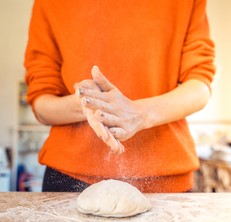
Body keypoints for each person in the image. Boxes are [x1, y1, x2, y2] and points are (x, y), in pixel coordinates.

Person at [24, 0, 215, 193]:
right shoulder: (49, 3)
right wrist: (88, 102)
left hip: (166, 178)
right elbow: (42, 103)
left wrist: (140, 113)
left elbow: (199, 86)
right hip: (70, 178)